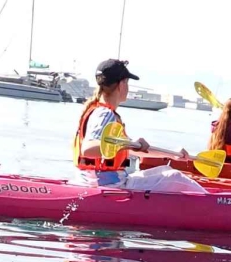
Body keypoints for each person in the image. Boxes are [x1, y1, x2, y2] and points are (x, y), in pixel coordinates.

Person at [74, 59, 203, 191]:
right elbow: (88, 149)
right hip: (108, 185)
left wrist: (172, 154)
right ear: (122, 84)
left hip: (104, 181)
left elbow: (126, 149)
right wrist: (127, 143)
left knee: (166, 170)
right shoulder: (105, 114)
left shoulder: (101, 112)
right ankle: (217, 206)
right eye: (127, 83)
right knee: (174, 177)